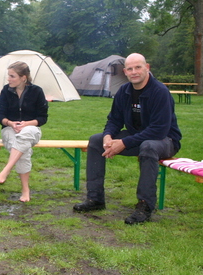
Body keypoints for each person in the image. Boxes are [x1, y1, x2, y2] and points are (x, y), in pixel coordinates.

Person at [73, 53, 182, 225]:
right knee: (95, 141)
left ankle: (145, 206)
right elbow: (114, 120)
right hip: (136, 136)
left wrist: (124, 143)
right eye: (130, 69)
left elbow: (158, 130)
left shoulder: (160, 92)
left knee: (148, 147)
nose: (134, 72)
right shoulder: (124, 91)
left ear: (147, 68)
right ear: (125, 72)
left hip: (165, 140)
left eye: (138, 67)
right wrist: (108, 136)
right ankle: (95, 200)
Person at [0, 61, 48, 202]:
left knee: (25, 135)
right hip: (9, 129)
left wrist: (26, 124)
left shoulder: (37, 91)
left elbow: (42, 118)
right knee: (23, 150)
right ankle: (25, 190)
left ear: (23, 78)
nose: (8, 79)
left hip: (31, 129)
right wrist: (10, 123)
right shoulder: (6, 91)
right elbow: (0, 115)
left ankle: (6, 170)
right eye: (9, 76)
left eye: (12, 76)